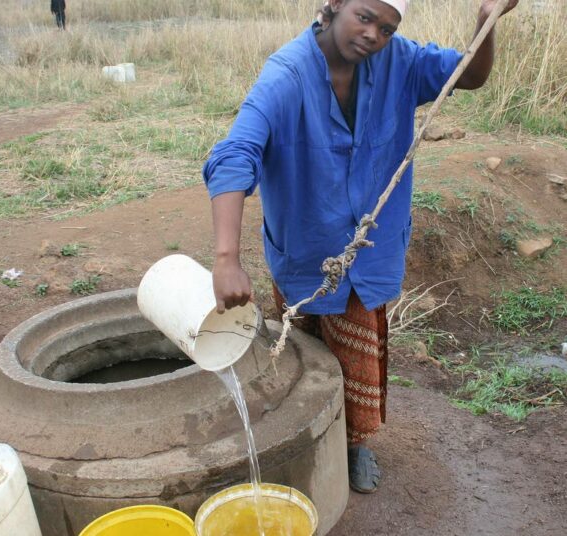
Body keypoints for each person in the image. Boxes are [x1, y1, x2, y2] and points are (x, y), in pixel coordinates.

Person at [203, 0, 518, 494]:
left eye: (388, 28)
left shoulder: (401, 63)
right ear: (332, 7)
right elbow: (235, 153)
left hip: (367, 252)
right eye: (365, 17)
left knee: (356, 355)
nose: (374, 34)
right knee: (298, 346)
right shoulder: (287, 74)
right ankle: (303, 432)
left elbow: (468, 75)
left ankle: (353, 445)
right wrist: (225, 259)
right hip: (305, 249)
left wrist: (487, 20)